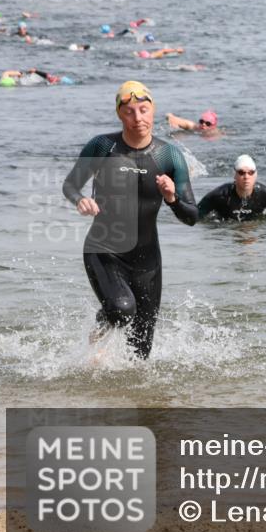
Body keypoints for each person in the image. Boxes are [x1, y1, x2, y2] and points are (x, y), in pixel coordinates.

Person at [62, 81, 197, 359]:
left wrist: (172, 198)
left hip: (147, 261)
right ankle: (104, 323)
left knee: (141, 353)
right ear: (119, 115)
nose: (137, 118)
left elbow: (192, 216)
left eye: (143, 110)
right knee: (121, 310)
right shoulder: (103, 146)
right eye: (129, 112)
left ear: (153, 111)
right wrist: (80, 200)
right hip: (104, 250)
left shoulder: (169, 155)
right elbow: (70, 185)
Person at [197, 155, 266, 222]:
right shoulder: (219, 195)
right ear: (235, 175)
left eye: (251, 173)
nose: (246, 177)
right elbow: (195, 217)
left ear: (255, 175)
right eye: (241, 173)